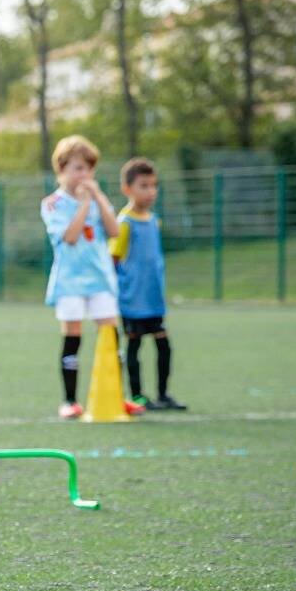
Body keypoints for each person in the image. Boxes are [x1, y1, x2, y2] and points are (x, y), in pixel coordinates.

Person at [41, 135, 139, 420]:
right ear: (61, 168)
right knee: (73, 336)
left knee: (110, 334)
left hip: (100, 279)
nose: (83, 175)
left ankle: (117, 396)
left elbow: (114, 231)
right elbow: (70, 237)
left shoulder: (97, 198)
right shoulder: (52, 204)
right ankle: (70, 400)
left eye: (88, 169)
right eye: (77, 168)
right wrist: (84, 204)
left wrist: (97, 198)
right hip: (70, 281)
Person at [109, 158, 184, 411]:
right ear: (127, 189)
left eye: (154, 186)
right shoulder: (124, 223)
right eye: (144, 186)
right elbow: (114, 260)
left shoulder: (154, 220)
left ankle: (163, 394)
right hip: (132, 299)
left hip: (153, 299)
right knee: (134, 345)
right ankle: (138, 396)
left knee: (164, 344)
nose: (151, 192)